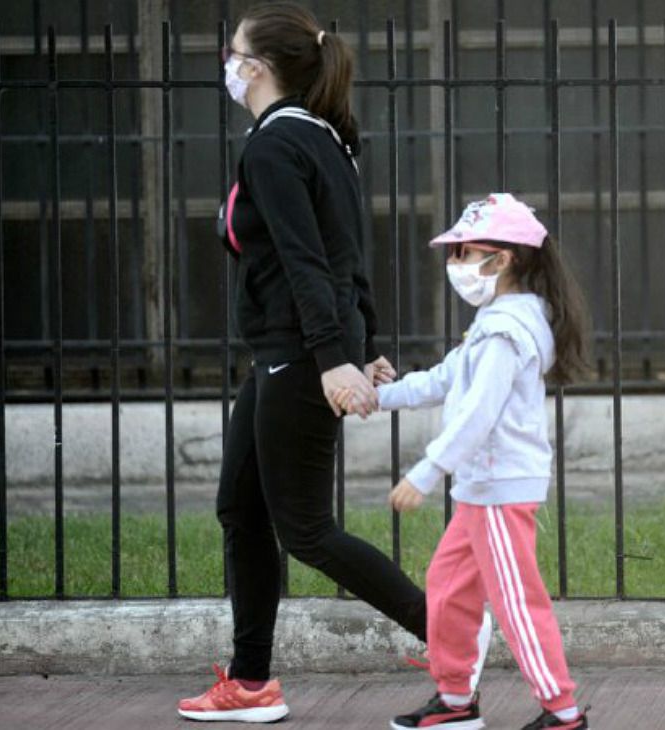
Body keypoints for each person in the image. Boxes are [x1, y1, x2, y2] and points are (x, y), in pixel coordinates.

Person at [178, 2, 458, 722]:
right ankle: (250, 683)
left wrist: (339, 358)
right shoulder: (323, 137)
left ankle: (448, 635)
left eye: (232, 52)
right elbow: (345, 257)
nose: (226, 63)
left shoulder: (276, 144)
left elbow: (314, 261)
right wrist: (364, 344)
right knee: (241, 510)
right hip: (288, 354)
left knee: (304, 528)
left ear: (258, 67)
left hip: (298, 357)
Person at [355, 193, 594, 730]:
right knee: (448, 586)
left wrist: (426, 470)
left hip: (499, 487)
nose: (454, 265)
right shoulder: (497, 321)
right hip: (481, 490)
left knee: (516, 602)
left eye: (463, 252)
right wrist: (373, 397)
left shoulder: (506, 331)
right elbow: (443, 381)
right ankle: (456, 700)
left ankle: (563, 712)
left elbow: (477, 415)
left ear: (501, 259)